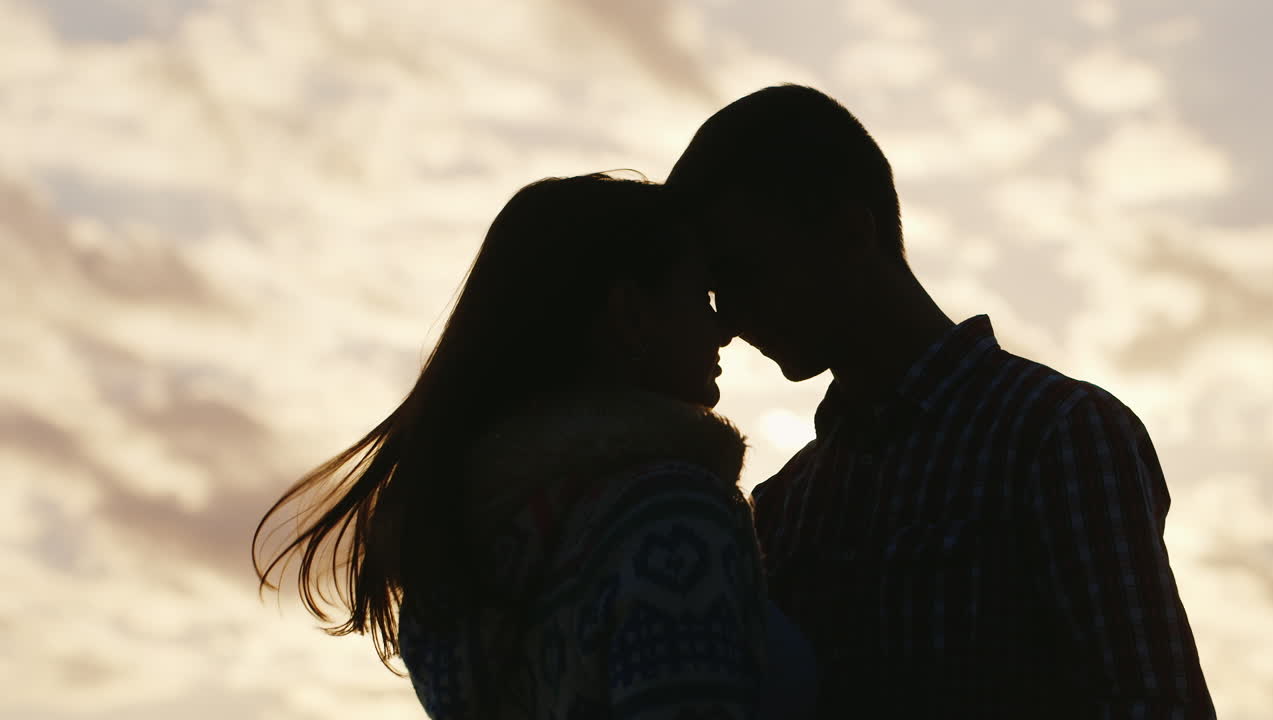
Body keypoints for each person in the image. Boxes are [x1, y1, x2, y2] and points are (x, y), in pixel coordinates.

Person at [666, 85, 1215, 719]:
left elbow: (1154, 703)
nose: (728, 319)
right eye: (713, 289)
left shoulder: (1057, 435)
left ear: (850, 233)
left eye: (743, 272)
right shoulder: (784, 506)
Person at [253, 174, 816, 720]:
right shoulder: (668, 515)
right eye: (702, 294)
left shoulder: (468, 544)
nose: (723, 329)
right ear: (631, 316)